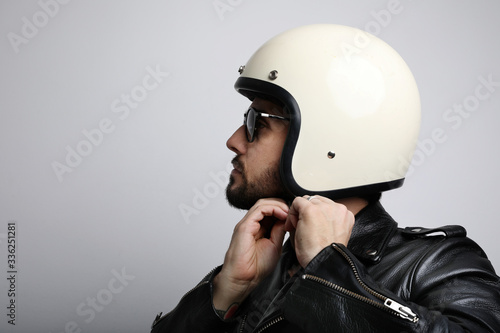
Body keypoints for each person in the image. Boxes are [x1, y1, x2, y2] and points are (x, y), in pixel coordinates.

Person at [150, 24, 500, 332]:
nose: (234, 140)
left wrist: (328, 270)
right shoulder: (262, 267)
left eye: (258, 122)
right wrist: (227, 290)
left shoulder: (438, 265)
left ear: (325, 142)